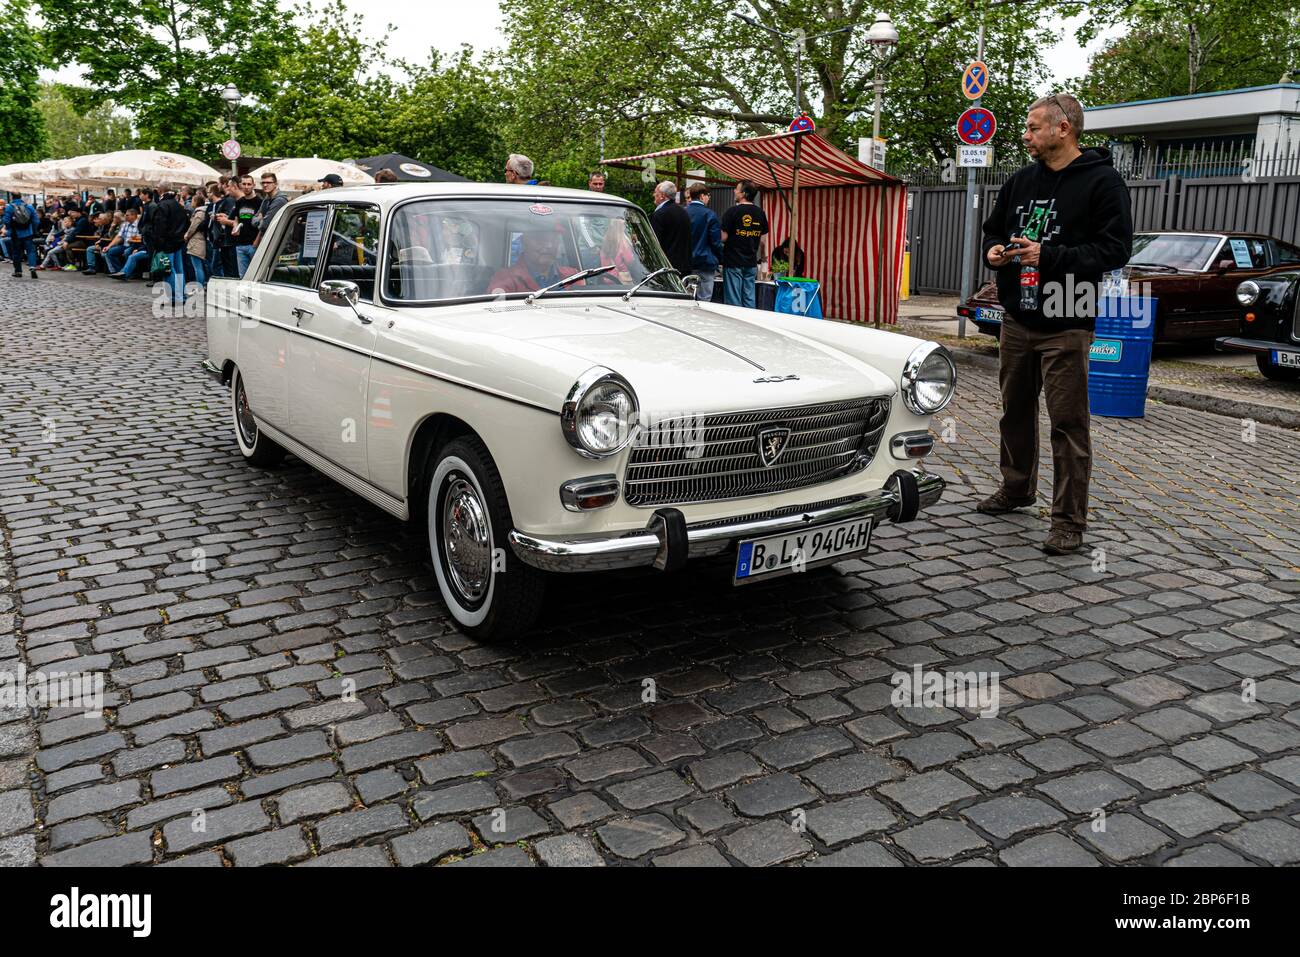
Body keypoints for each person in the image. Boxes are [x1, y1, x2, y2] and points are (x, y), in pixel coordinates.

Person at [978, 92, 1134, 556]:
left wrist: (1050, 256)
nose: (1025, 135)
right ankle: (1017, 488)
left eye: (1032, 127)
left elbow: (1115, 251)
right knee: (1014, 412)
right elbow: (994, 228)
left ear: (1062, 129)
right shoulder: (1021, 180)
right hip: (1018, 317)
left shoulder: (1103, 182)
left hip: (1067, 317)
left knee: (1067, 423)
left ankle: (1068, 521)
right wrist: (994, 249)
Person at [719, 180, 769, 308]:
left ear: (743, 194)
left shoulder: (732, 212)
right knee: (749, 298)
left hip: (733, 262)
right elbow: (763, 241)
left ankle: (735, 325)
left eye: (737, 189)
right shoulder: (760, 213)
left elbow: (723, 237)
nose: (734, 191)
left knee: (733, 300)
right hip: (751, 262)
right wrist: (763, 259)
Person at [486, 227, 576, 293]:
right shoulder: (504, 279)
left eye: (554, 240)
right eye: (540, 239)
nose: (549, 245)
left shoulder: (574, 275)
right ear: (523, 241)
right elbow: (496, 312)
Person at [685, 183, 723, 301]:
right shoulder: (710, 215)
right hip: (706, 262)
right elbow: (716, 242)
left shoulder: (683, 212)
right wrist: (721, 258)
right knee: (705, 299)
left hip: (687, 263)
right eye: (708, 195)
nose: (709, 198)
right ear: (702, 196)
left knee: (687, 297)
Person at [152, 189, 190, 303]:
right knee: (179, 269)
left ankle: (175, 296)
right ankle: (181, 295)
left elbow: (160, 227)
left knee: (169, 269)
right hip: (178, 241)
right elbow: (187, 223)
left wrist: (159, 244)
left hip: (167, 242)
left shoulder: (162, 206)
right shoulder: (179, 206)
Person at [650, 181, 692, 278]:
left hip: (667, 268)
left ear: (662, 196)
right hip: (685, 266)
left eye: (655, 193)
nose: (653, 195)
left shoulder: (660, 214)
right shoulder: (683, 212)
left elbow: (654, 243)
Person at [230, 175, 261, 277]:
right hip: (240, 245)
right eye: (244, 184)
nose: (246, 186)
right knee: (242, 276)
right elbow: (236, 218)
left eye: (249, 184)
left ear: (253, 185)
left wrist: (255, 243)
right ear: (240, 185)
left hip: (254, 245)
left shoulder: (260, 202)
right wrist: (235, 227)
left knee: (256, 275)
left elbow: (263, 224)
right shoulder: (239, 201)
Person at [105, 208, 149, 279]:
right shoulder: (125, 224)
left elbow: (142, 238)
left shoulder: (139, 225)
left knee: (127, 252)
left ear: (134, 216)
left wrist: (134, 240)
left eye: (127, 215)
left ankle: (129, 273)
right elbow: (119, 237)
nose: (125, 216)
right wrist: (109, 246)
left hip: (135, 245)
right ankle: (119, 271)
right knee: (110, 252)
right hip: (125, 245)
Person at [2, 195, 39, 278]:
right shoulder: (29, 206)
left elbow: (6, 221)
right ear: (21, 197)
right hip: (28, 233)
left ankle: (18, 271)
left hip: (16, 234)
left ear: (12, 197)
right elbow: (36, 220)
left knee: (16, 252)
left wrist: (9, 229)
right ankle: (32, 267)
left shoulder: (10, 207)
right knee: (31, 251)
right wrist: (33, 229)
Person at [253, 172, 288, 253]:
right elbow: (253, 220)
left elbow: (264, 225)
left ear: (275, 184)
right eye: (263, 183)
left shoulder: (279, 200)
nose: (265, 185)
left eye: (268, 182)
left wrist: (260, 219)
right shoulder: (267, 198)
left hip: (277, 243)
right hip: (269, 241)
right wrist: (259, 219)